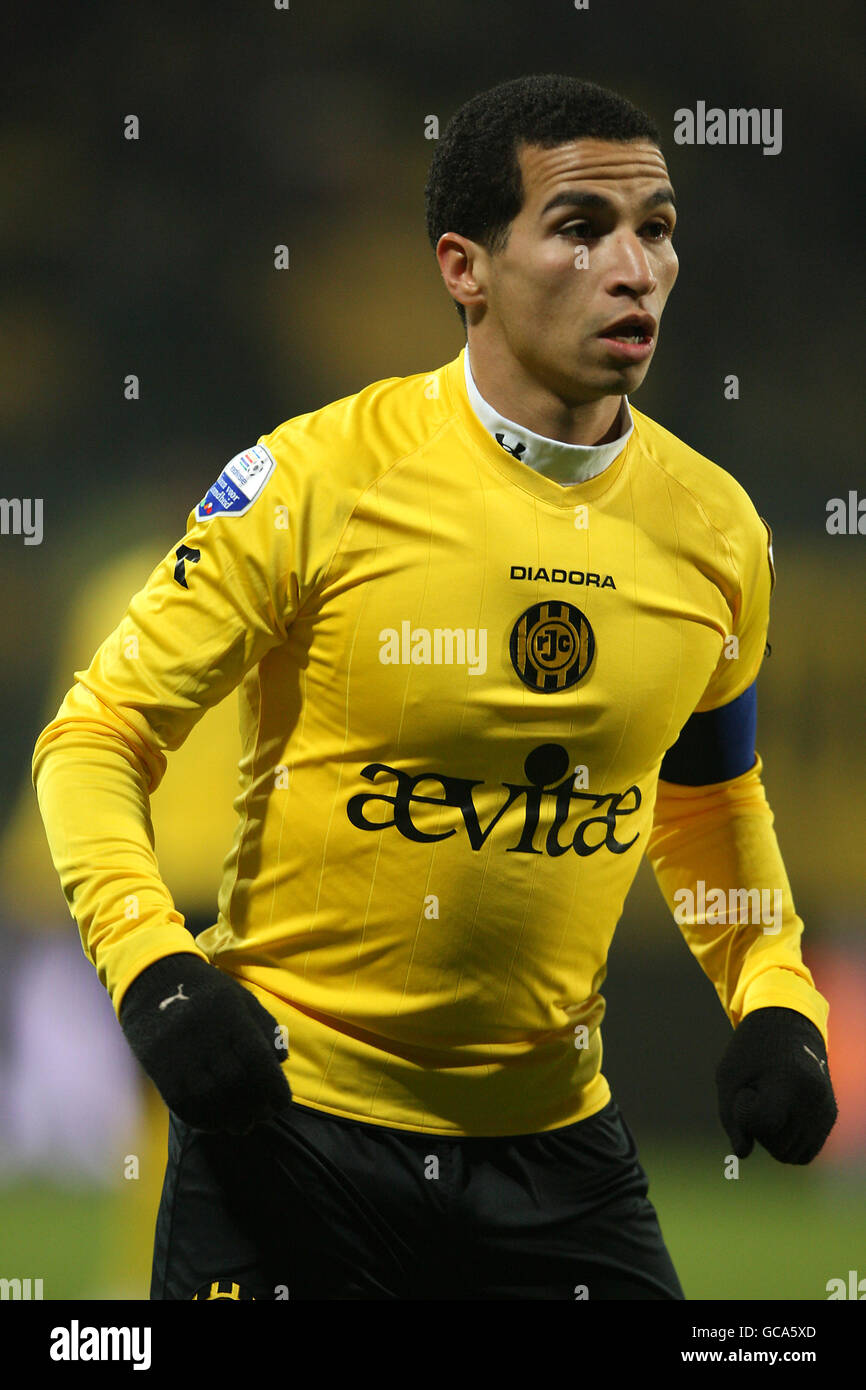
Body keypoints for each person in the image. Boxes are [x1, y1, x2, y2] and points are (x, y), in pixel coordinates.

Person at [33, 73, 837, 1301]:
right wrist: (155, 973)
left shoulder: (717, 532)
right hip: (289, 1135)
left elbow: (705, 795)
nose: (633, 267)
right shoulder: (311, 480)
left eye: (656, 228)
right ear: (463, 266)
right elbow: (97, 733)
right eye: (579, 229)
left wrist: (773, 994)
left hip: (556, 1150)